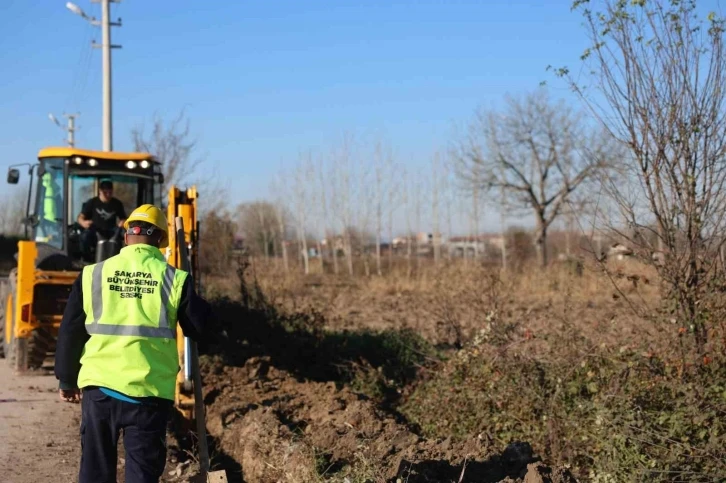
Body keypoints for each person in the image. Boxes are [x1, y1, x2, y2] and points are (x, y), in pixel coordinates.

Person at [55, 204, 214, 483]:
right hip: (147, 394)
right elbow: (203, 329)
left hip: (99, 389)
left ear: (126, 237)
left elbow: (70, 331)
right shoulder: (174, 279)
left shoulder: (92, 274)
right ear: (159, 240)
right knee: (142, 473)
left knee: (95, 470)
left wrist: (67, 379)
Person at [78, 179, 127, 254]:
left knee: (125, 235)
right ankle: (85, 257)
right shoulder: (92, 202)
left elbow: (123, 218)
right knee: (85, 236)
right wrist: (84, 223)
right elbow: (80, 217)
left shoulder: (117, 203)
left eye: (110, 192)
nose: (107, 195)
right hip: (95, 231)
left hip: (111, 231)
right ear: (100, 191)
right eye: (105, 192)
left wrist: (122, 223)